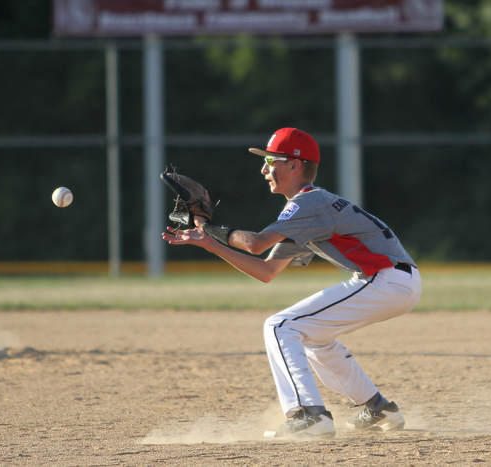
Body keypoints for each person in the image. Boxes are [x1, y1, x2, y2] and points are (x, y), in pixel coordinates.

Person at [162, 127, 421, 438]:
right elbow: (267, 270)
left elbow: (256, 243)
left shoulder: (309, 203)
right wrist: (209, 241)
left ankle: (309, 415)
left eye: (271, 160)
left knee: (280, 326)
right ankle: (378, 408)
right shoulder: (305, 211)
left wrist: (210, 226)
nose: (264, 169)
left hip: (386, 279)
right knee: (314, 337)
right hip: (393, 281)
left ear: (295, 165)